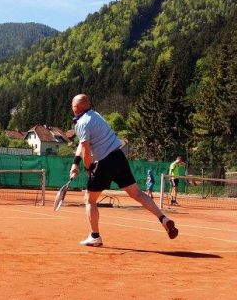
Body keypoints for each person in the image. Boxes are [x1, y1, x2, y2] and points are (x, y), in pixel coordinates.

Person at [69, 94, 177, 247]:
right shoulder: (96, 116)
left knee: (89, 199)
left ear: (76, 108)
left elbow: (86, 150)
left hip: (104, 162)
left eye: (72, 105)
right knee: (137, 194)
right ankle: (163, 219)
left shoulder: (81, 123)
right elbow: (83, 144)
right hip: (119, 157)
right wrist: (75, 163)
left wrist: (88, 167)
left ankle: (95, 237)